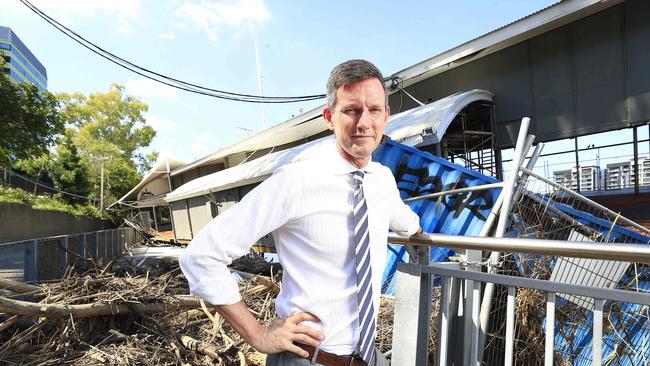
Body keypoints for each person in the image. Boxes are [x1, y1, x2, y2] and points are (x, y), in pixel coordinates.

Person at [179, 59, 421, 366]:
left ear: (386, 116)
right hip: (308, 358)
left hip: (366, 357)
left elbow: (405, 221)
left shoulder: (381, 180)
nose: (364, 123)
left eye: (374, 110)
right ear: (329, 117)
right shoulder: (295, 181)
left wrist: (420, 238)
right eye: (351, 110)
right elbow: (201, 256)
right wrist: (258, 334)